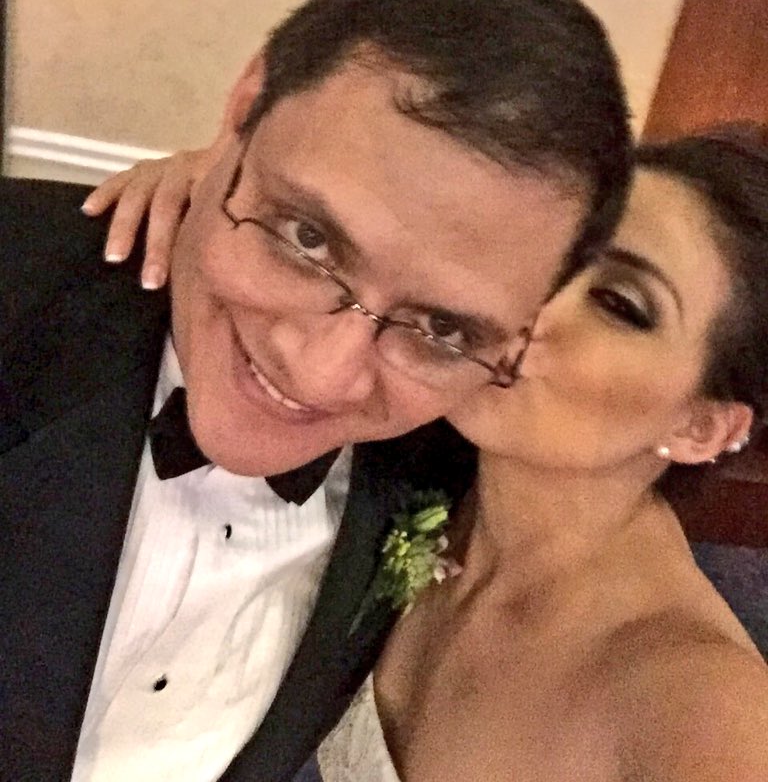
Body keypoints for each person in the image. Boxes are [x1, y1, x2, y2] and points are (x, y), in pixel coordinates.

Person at [0, 0, 632, 782]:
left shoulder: (456, 465)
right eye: (307, 237)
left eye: (440, 328)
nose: (322, 375)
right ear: (245, 106)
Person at [105, 130, 768, 781]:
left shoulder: (700, 708)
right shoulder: (416, 447)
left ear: (700, 428)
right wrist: (215, 193)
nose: (527, 304)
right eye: (550, 253)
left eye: (620, 304)